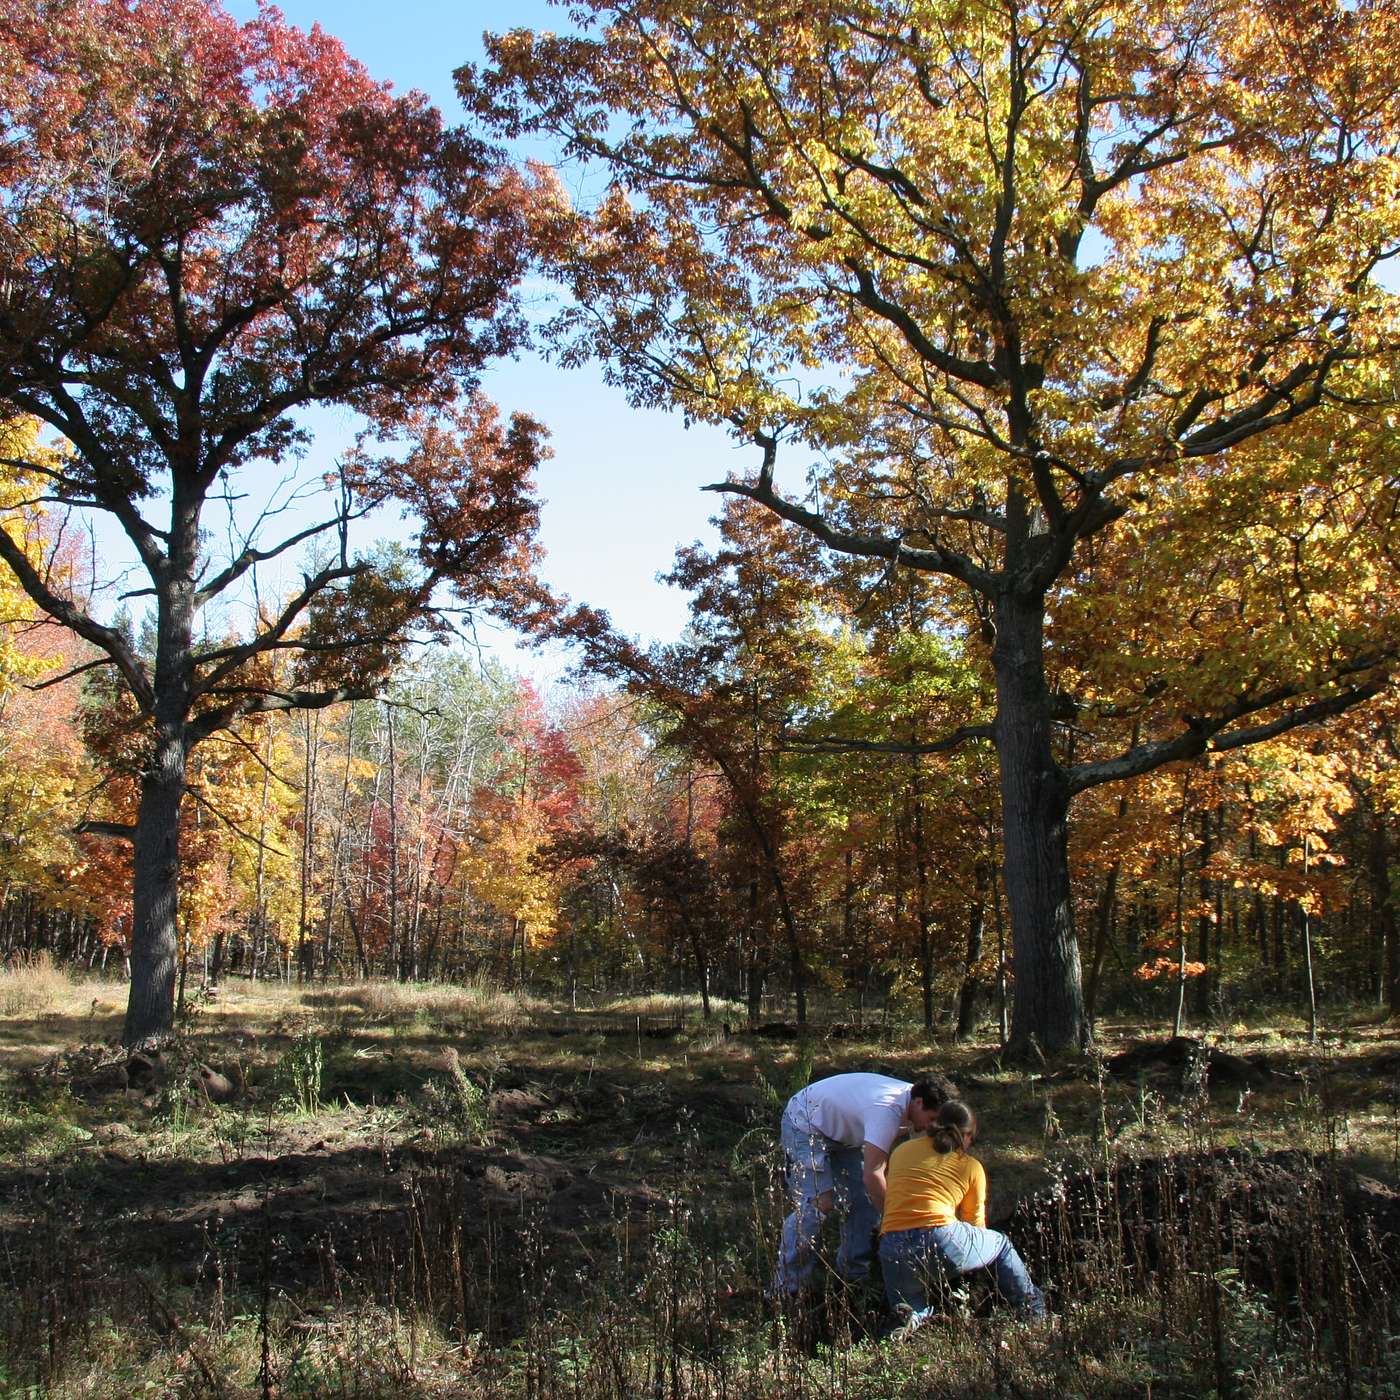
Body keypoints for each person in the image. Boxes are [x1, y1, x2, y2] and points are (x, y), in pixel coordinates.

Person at [771, 1071, 956, 1296]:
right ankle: (786, 1290)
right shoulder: (887, 1110)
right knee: (818, 1205)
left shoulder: (919, 1103)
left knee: (864, 1201)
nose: (931, 1127)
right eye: (931, 1119)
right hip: (804, 1122)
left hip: (844, 1133)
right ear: (918, 1103)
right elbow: (873, 1174)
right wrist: (896, 1221)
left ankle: (852, 1276)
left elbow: (919, 1166)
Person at [878, 1099, 1046, 1327]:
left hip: (892, 1247)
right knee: (1001, 1244)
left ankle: (899, 1333)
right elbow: (975, 1225)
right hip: (941, 1239)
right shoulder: (971, 1166)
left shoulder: (901, 1151)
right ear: (966, 1136)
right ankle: (1033, 1311)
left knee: (909, 1311)